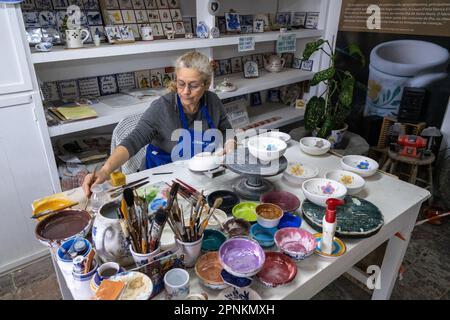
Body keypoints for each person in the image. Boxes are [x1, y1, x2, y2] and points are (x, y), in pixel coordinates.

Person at [82, 51, 236, 196]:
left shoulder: (213, 101)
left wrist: (230, 144)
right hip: (159, 181)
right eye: (181, 83)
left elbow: (226, 129)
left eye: (194, 85)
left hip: (198, 177)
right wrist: (105, 170)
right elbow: (132, 141)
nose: (185, 91)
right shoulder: (162, 108)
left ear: (207, 84)